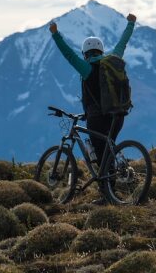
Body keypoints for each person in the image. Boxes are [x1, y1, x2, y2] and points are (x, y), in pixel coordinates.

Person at [49, 13, 136, 203]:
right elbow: (123, 42)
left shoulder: (87, 67)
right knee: (108, 150)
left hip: (97, 118)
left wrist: (55, 34)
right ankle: (112, 190)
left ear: (86, 54)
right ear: (101, 50)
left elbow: (68, 55)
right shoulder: (112, 60)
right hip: (118, 115)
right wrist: (131, 23)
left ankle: (108, 195)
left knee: (100, 155)